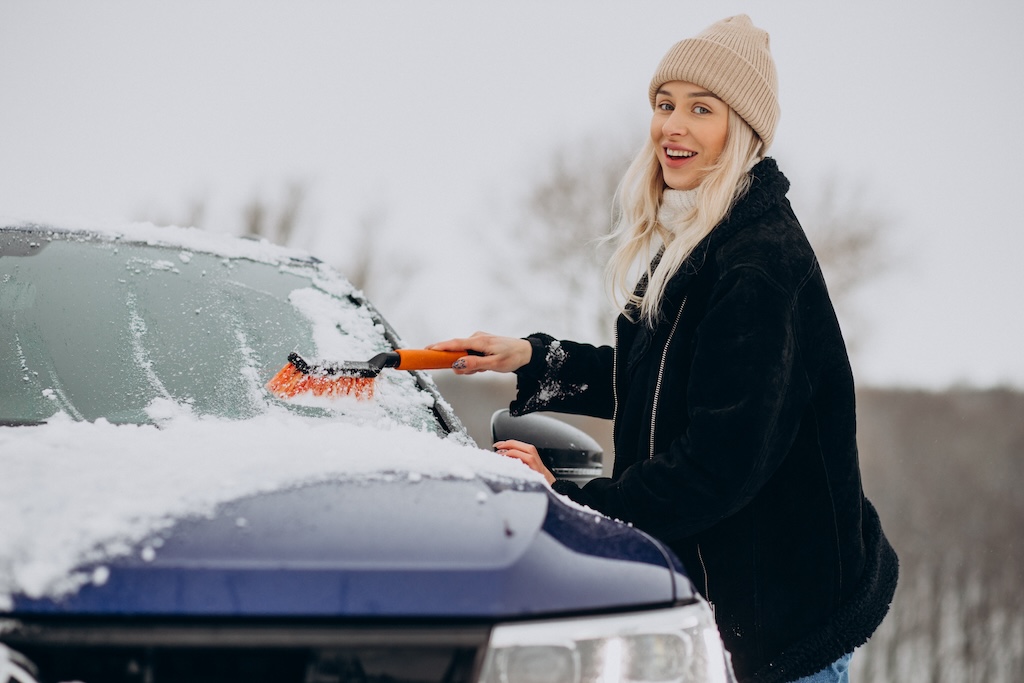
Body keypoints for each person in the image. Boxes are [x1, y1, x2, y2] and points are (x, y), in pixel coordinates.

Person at [429, 14, 898, 683]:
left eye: (700, 109)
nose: (672, 126)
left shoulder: (756, 266)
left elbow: (717, 466)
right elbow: (663, 384)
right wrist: (534, 359)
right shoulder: (700, 242)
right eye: (664, 104)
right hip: (722, 609)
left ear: (742, 130)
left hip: (782, 628)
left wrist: (573, 502)